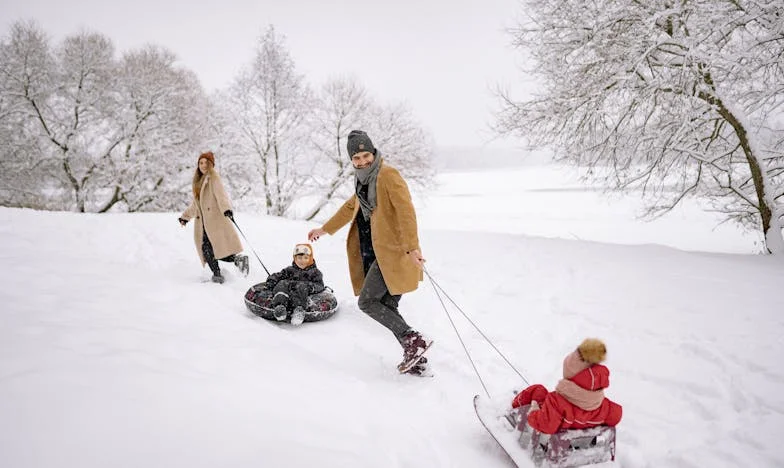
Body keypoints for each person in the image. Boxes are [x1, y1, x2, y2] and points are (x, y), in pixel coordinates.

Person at [308, 129, 431, 375]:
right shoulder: (362, 180)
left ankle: (413, 339)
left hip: (394, 253)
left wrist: (412, 248)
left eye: (366, 155)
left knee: (367, 302)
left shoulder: (387, 175)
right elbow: (349, 207)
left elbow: (406, 212)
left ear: (373, 153)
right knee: (386, 304)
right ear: (351, 160)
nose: (362, 161)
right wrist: (324, 229)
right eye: (357, 158)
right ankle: (415, 356)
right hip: (375, 253)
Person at [511, 338, 623, 434]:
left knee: (537, 389)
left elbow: (546, 425)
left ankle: (513, 410)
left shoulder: (556, 402)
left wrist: (533, 411)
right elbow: (616, 415)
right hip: (571, 435)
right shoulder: (604, 407)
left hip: (549, 429)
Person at [179, 151, 249, 284]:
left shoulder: (213, 178)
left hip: (214, 221)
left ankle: (218, 274)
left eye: (206, 163)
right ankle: (233, 263)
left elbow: (221, 195)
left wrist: (226, 209)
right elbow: (196, 205)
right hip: (203, 224)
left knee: (212, 250)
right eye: (201, 162)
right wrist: (185, 217)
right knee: (210, 250)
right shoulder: (198, 181)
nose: (203, 165)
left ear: (211, 165)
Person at [264, 243, 325, 326]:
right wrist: (272, 281)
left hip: (302, 293)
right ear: (294, 258)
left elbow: (320, 285)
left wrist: (310, 287)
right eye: (299, 258)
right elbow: (278, 276)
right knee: (282, 283)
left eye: (305, 258)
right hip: (287, 291)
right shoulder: (289, 270)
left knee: (301, 286)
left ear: (310, 259)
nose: (302, 261)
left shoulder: (315, 273)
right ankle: (280, 307)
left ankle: (299, 311)